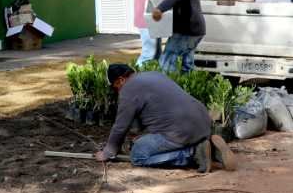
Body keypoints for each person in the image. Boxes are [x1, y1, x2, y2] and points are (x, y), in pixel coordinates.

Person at [96, 63, 235, 172]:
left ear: (121, 80)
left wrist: (108, 152)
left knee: (138, 154)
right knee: (144, 142)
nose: (117, 91)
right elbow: (160, 111)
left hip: (182, 131)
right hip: (203, 122)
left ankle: (193, 154)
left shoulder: (128, 89)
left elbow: (120, 126)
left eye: (115, 87)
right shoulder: (154, 75)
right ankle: (210, 148)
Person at [148, 0, 204, 74]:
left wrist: (159, 9)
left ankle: (167, 85)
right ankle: (187, 85)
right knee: (187, 65)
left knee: (166, 61)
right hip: (196, 30)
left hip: (186, 31)